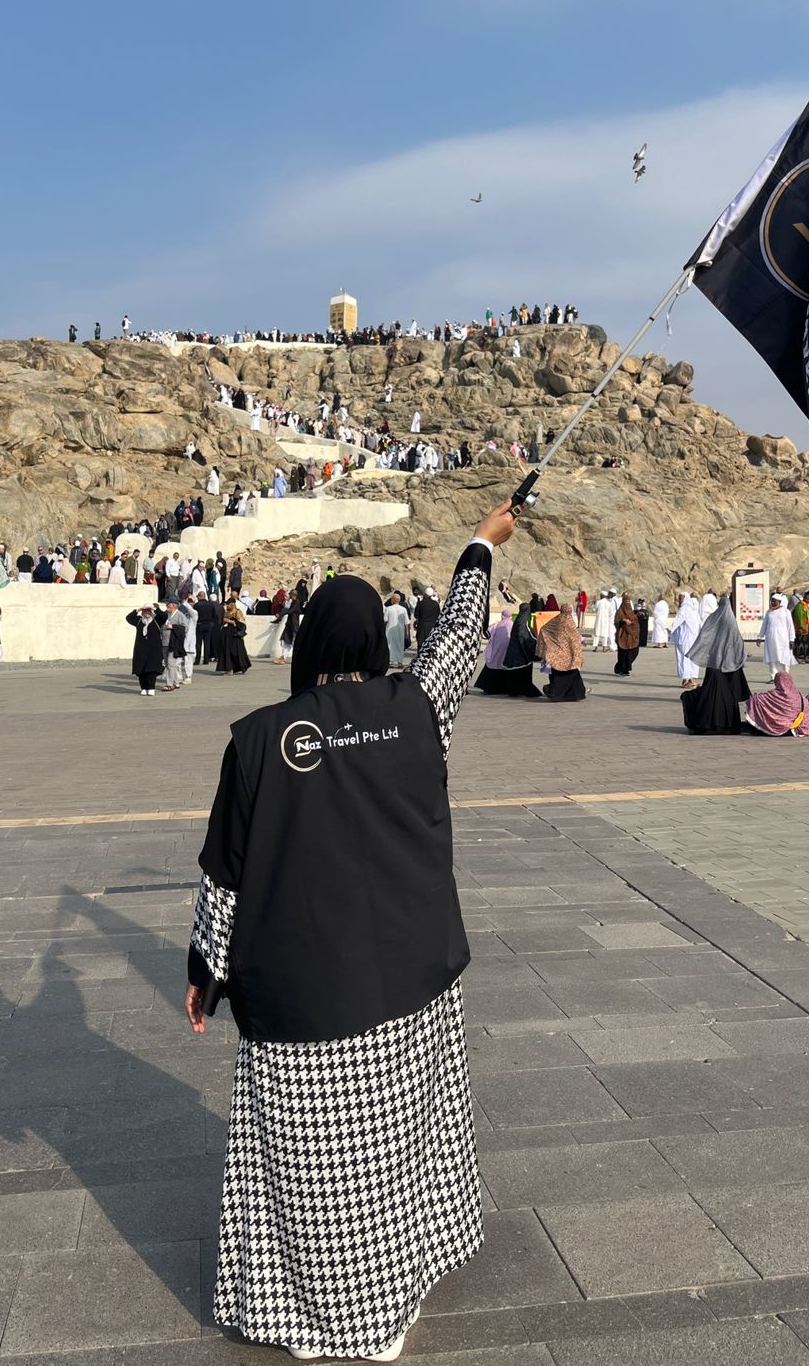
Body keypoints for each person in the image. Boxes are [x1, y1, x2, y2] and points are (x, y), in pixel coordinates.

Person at [184, 501, 513, 1362]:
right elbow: (458, 639)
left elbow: (224, 873)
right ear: (375, 644)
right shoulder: (416, 709)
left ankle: (312, 1319)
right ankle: (383, 1310)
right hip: (408, 984)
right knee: (394, 1157)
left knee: (307, 1171)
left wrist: (206, 971)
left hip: (300, 994)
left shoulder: (257, 741)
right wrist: (481, 545)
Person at [681, 600, 751, 734]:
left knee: (711, 693)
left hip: (713, 664)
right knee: (727, 694)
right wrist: (739, 657)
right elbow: (737, 642)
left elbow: (705, 635)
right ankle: (727, 721)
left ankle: (710, 720)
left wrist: (705, 652)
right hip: (730, 666)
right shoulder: (730, 620)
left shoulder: (713, 617)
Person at [479, 602, 539, 698]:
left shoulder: (498, 624)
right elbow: (525, 638)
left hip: (498, 652)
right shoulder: (518, 623)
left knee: (494, 670)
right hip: (515, 654)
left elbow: (487, 634)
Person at [536, 602, 585, 702]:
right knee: (572, 674)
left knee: (558, 676)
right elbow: (574, 639)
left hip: (557, 657)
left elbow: (544, 629)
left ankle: (556, 693)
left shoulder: (556, 620)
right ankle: (572, 695)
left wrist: (549, 645)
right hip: (569, 657)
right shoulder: (570, 622)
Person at [745, 670, 809, 737]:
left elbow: (756, 700)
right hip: (793, 729)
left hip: (774, 729)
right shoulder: (799, 696)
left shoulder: (773, 695)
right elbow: (807, 712)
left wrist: (754, 698)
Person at [127, 604, 166, 695]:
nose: (147, 613)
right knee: (141, 670)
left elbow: (164, 616)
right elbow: (128, 618)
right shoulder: (139, 621)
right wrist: (138, 609)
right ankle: (144, 687)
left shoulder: (157, 620)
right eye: (145, 611)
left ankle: (151, 687)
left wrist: (155, 609)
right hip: (140, 649)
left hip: (154, 650)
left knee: (152, 670)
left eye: (149, 611)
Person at [759, 592, 796, 678]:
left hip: (783, 639)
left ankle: (786, 676)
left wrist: (792, 639)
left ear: (780, 602)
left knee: (784, 657)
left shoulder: (786, 612)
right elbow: (764, 625)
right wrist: (760, 637)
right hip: (770, 639)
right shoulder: (769, 612)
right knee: (772, 658)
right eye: (771, 601)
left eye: (774, 601)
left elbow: (790, 626)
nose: (772, 603)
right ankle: (773, 677)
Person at [669, 592, 701, 688]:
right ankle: (689, 679)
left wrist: (670, 628)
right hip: (692, 638)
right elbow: (699, 623)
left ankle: (688, 680)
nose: (679, 601)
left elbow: (679, 620)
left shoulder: (684, 609)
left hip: (685, 638)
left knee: (684, 658)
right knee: (690, 658)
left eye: (681, 599)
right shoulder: (693, 609)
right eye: (679, 599)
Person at [217, 598, 251, 675]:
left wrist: (230, 621)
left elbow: (242, 624)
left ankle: (240, 666)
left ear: (232, 604)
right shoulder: (226, 612)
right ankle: (229, 668)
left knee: (235, 651)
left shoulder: (237, 612)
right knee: (226, 651)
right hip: (226, 635)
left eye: (228, 604)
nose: (227, 606)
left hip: (234, 635)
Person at [613, 593, 641, 676]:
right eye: (626, 602)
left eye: (628, 602)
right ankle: (623, 670)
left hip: (632, 637)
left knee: (633, 652)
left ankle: (624, 667)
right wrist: (623, 621)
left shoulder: (631, 612)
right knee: (623, 654)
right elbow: (617, 622)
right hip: (623, 637)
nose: (627, 604)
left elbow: (635, 620)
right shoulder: (620, 612)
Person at [384, 592, 409, 669]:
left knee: (390, 646)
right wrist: (407, 632)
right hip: (400, 630)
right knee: (400, 645)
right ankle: (399, 662)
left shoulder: (388, 609)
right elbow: (406, 622)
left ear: (393, 600)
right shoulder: (403, 609)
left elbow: (385, 620)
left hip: (390, 630)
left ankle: (390, 662)